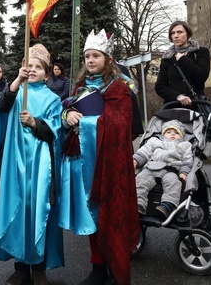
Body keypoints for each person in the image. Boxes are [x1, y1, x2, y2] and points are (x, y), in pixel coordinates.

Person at [59, 29, 140, 285]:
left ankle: (115, 268)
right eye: (87, 56)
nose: (90, 60)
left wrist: (83, 123)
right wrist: (67, 117)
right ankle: (97, 267)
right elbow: (67, 112)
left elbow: (119, 125)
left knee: (111, 214)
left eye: (95, 55)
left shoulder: (119, 88)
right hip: (85, 164)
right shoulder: (81, 87)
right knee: (91, 215)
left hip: (110, 164)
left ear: (108, 58)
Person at [0, 44, 64, 285]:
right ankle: (20, 267)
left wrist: (34, 123)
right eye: (30, 66)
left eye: (39, 67)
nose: (34, 69)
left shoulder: (53, 99)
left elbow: (55, 131)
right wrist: (18, 80)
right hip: (14, 164)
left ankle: (38, 268)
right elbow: (2, 106)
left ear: (47, 74)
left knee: (39, 212)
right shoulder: (17, 92)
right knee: (17, 211)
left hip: (40, 167)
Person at [133, 119, 193, 220]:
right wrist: (136, 160)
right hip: (151, 168)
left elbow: (188, 160)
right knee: (140, 181)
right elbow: (144, 151)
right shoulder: (154, 141)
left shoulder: (185, 145)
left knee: (174, 184)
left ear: (181, 135)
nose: (172, 135)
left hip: (171, 170)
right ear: (163, 134)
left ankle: (167, 205)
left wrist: (183, 172)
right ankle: (138, 204)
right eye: (169, 132)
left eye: (176, 133)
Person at [155, 20, 210, 106]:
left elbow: (202, 76)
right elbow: (160, 86)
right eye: (173, 33)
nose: (176, 36)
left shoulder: (201, 52)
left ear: (187, 34)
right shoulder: (167, 57)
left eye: (179, 32)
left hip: (196, 105)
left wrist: (183, 60)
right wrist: (177, 96)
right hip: (173, 106)